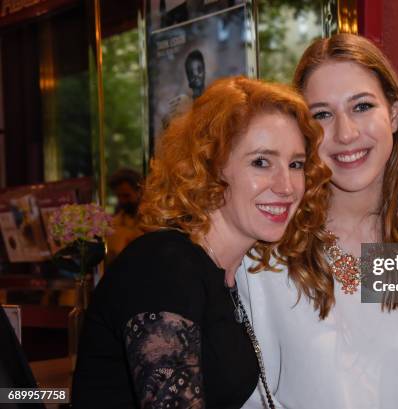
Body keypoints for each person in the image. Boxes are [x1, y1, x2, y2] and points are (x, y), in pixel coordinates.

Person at [238, 34, 398, 408]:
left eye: (362, 106)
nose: (346, 133)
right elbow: (252, 394)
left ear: (395, 114)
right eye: (322, 114)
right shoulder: (268, 245)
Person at [72, 76, 330, 409]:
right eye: (261, 162)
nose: (287, 186)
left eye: (295, 164)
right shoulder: (164, 265)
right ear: (209, 167)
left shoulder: (224, 272)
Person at [107, 168, 144, 260]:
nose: (122, 201)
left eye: (126, 195)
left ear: (140, 191)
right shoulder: (114, 225)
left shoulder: (152, 222)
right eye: (119, 196)